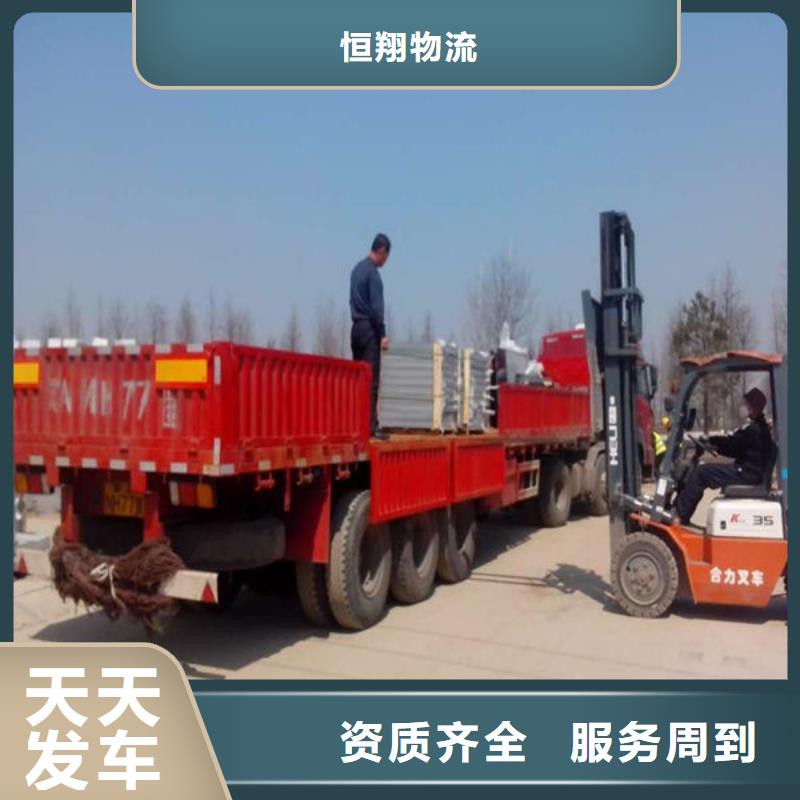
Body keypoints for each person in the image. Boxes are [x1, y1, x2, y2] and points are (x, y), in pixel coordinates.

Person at [673, 387, 773, 525]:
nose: (745, 407)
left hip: (747, 474)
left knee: (701, 473)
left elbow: (733, 445)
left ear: (754, 406)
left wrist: (713, 442)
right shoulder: (758, 427)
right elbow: (735, 443)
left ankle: (679, 514)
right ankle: (682, 512)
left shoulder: (755, 430)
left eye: (747, 404)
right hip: (749, 471)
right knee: (703, 471)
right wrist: (713, 442)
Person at [350, 233, 391, 438]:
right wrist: (382, 334)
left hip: (356, 329)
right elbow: (376, 309)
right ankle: (370, 428)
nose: (386, 261)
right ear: (381, 251)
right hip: (369, 330)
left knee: (358, 380)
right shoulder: (373, 275)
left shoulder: (357, 270)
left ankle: (357, 424)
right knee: (371, 380)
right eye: (387, 257)